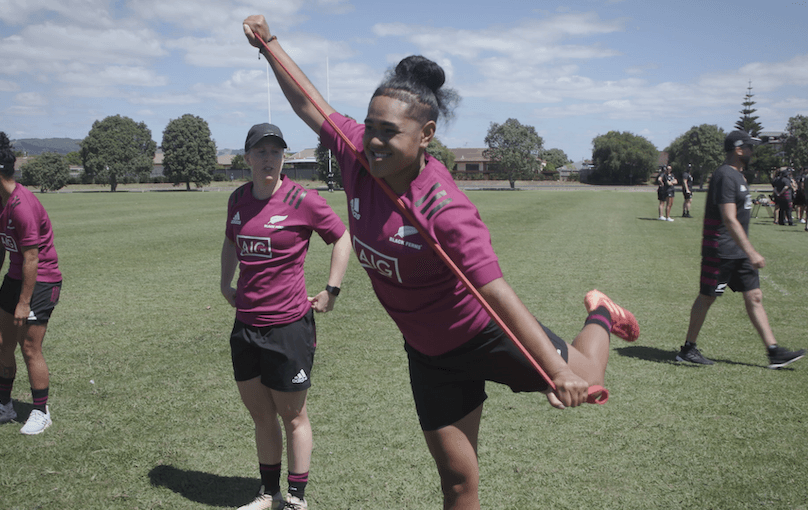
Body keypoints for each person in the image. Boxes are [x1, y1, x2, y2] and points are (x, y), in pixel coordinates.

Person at [243, 15, 640, 510]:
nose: (373, 141)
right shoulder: (357, 156)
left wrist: (556, 370)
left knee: (590, 377)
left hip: (484, 334)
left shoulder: (445, 209)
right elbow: (309, 101)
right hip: (430, 354)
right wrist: (269, 44)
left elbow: (495, 291)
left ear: (426, 134)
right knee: (457, 482)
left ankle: (600, 311)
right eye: (370, 127)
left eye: (389, 132)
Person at [222, 123, 351, 510]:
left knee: (293, 416)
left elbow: (342, 237)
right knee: (261, 416)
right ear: (247, 158)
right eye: (261, 152)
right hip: (246, 326)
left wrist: (331, 289)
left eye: (276, 152)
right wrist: (225, 282)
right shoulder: (238, 199)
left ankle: (296, 497)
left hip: (288, 328)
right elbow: (230, 240)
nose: (269, 159)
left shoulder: (303, 200)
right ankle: (269, 493)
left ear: (284, 158)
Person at [676, 130, 805, 368]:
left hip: (739, 251)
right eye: (749, 147)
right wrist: (752, 252)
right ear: (738, 149)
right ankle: (688, 349)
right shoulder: (725, 176)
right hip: (721, 250)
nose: (752, 152)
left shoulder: (738, 176)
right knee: (707, 297)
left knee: (754, 296)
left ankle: (774, 351)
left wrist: (746, 251)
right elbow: (729, 218)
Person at [0, 132, 62, 435]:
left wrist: (24, 302)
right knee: (2, 342)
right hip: (15, 277)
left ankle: (41, 411)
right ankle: (5, 405)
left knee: (30, 347)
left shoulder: (23, 206)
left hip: (42, 280)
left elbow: (33, 258)